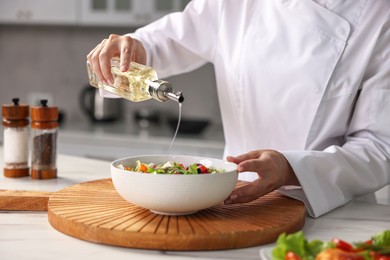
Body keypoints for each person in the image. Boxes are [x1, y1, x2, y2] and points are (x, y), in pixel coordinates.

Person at [87, 0, 390, 218]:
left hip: (328, 211)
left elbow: (380, 148)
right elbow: (167, 40)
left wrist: (291, 168)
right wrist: (136, 47)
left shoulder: (380, 16)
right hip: (231, 206)